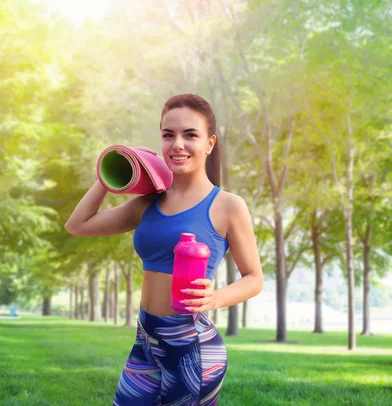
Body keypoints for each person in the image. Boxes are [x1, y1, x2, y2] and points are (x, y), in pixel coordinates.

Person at [64, 93, 263, 405]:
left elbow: (254, 278)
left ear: (209, 144)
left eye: (190, 135)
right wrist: (109, 176)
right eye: (168, 135)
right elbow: (78, 225)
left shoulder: (227, 206)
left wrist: (214, 298)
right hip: (146, 340)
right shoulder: (149, 202)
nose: (177, 144)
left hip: (190, 347)